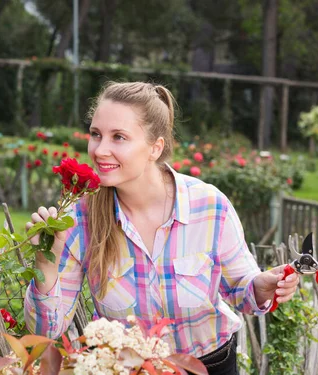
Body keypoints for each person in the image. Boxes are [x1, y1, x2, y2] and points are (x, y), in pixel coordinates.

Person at [23, 81, 299, 374]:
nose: (100, 150)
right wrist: (45, 263)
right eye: (95, 134)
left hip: (209, 367)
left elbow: (240, 287)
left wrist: (260, 286)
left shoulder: (209, 207)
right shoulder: (80, 221)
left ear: (155, 148)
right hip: (126, 369)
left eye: (118, 137)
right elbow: (47, 329)